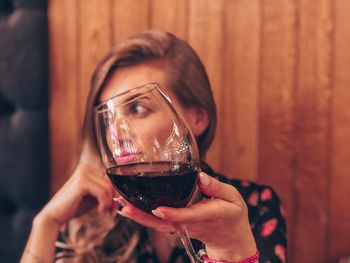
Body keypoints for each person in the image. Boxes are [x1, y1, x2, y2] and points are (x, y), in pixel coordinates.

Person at [20, 30, 286, 263]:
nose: (116, 133)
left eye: (137, 108)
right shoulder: (90, 217)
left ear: (197, 119)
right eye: (110, 117)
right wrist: (46, 222)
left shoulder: (254, 207)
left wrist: (232, 249)